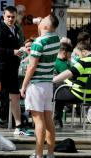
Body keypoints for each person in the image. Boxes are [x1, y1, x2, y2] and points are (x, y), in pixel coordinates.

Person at [20, 14, 60, 158]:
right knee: (48, 119)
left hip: (36, 84)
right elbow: (44, 34)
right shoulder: (56, 39)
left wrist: (23, 86)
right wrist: (39, 24)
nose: (40, 18)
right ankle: (50, 154)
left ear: (45, 26)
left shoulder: (38, 42)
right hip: (48, 84)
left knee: (38, 121)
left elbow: (31, 66)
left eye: (43, 19)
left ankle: (38, 154)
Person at [53, 42, 91, 128]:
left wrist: (53, 80)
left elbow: (69, 72)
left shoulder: (84, 61)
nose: (78, 57)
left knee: (56, 89)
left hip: (80, 95)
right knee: (60, 89)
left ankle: (55, 120)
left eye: (78, 54)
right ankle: (56, 120)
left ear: (84, 52)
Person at [0, 6, 27, 135]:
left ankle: (19, 125)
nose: (11, 19)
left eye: (13, 16)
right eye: (8, 17)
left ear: (16, 16)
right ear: (3, 16)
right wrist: (13, 52)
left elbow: (19, 44)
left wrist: (24, 48)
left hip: (13, 68)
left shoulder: (17, 29)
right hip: (1, 68)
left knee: (15, 95)